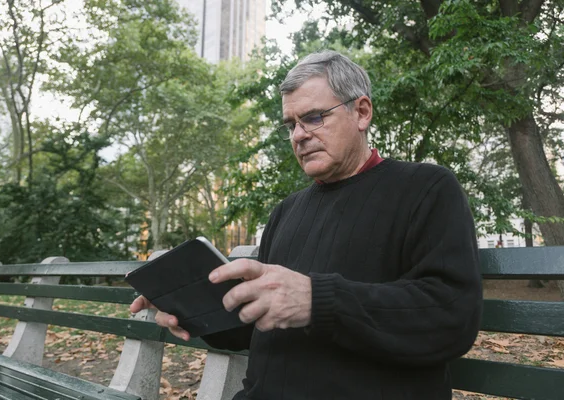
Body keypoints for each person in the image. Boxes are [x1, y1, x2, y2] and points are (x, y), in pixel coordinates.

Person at [130, 50, 483, 399]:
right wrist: (191, 307)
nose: (299, 135)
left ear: (361, 112)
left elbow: (451, 316)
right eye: (291, 124)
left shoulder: (426, 188)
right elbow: (249, 332)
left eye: (314, 118)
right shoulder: (287, 211)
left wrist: (317, 301)